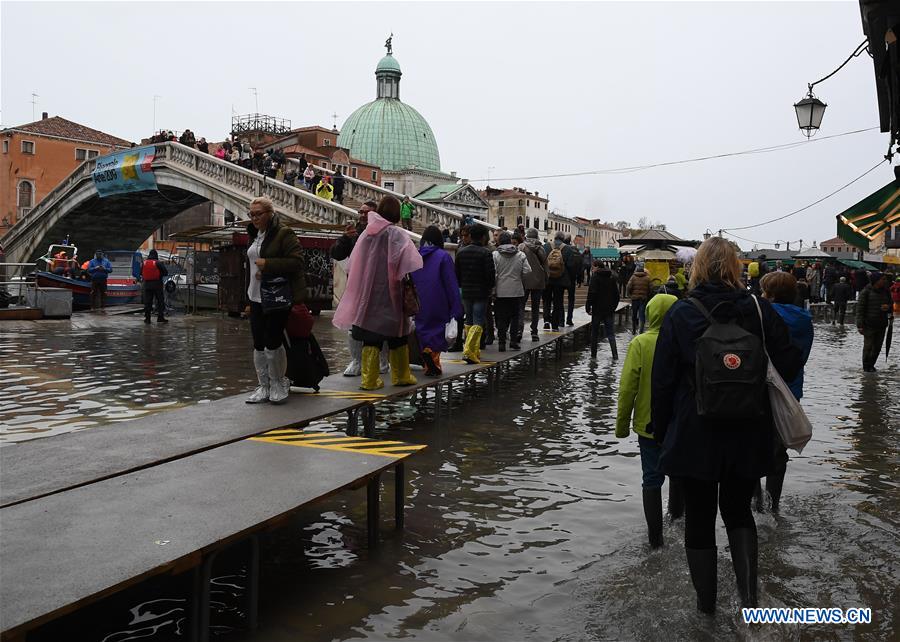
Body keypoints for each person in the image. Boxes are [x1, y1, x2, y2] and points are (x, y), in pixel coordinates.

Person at [651, 237, 802, 613]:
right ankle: (750, 603)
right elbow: (791, 362)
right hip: (748, 430)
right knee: (739, 511)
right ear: (736, 267)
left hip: (695, 432)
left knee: (699, 519)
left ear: (697, 268)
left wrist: (662, 431)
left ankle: (706, 610)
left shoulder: (682, 312)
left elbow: (663, 380)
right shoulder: (759, 309)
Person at [333, 195, 423, 390]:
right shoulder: (397, 234)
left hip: (367, 291)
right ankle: (400, 375)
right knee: (398, 335)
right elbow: (411, 262)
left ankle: (369, 379)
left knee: (370, 335)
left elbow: (354, 263)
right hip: (391, 291)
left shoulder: (366, 234)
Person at [616, 292, 679, 549]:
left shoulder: (640, 343)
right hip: (679, 424)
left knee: (651, 479)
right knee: (679, 473)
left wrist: (621, 425)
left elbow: (627, 387)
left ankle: (655, 539)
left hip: (648, 423)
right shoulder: (685, 341)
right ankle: (677, 519)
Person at [757, 271, 813, 513]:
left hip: (760, 389)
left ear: (769, 294)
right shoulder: (805, 319)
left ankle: (756, 503)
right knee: (778, 453)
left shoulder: (763, 316)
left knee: (752, 447)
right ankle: (773, 505)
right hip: (790, 391)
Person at [245, 197, 305, 405]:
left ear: (270, 213)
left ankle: (278, 382)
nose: (254, 218)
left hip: (276, 296)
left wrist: (268, 265)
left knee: (273, 341)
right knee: (258, 343)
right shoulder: (253, 234)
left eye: (258, 214)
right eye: (251, 214)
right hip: (255, 297)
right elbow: (250, 267)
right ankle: (264, 386)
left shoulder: (284, 233)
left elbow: (297, 262)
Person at [332, 202, 389, 377]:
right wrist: (344, 238)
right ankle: (356, 361)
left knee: (379, 324)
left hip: (378, 287)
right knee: (354, 323)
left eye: (366, 212)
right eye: (360, 212)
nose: (362, 215)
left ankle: (382, 360)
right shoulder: (355, 232)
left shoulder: (385, 232)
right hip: (356, 286)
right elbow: (336, 254)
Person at [410, 226, 463, 375]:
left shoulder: (415, 255)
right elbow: (450, 282)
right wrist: (456, 306)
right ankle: (432, 360)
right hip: (439, 299)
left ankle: (427, 355)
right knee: (438, 331)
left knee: (423, 329)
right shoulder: (443, 256)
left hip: (419, 299)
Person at [455, 224, 496, 364]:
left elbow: (457, 275)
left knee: (469, 320)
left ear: (471, 236)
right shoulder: (486, 253)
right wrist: (490, 287)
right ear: (484, 237)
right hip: (481, 291)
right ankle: (469, 350)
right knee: (478, 321)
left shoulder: (461, 252)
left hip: (466, 291)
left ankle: (474, 350)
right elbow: (490, 275)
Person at [492, 231, 531, 351]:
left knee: (501, 317)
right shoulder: (520, 255)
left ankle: (502, 342)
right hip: (516, 291)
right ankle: (513, 341)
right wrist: (518, 277)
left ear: (499, 242)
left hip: (500, 290)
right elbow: (527, 271)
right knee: (515, 316)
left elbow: (493, 273)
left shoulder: (495, 255)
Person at [856, 271, 892, 372]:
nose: (885, 281)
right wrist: (860, 325)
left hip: (882, 324)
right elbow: (860, 309)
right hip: (868, 325)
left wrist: (888, 307)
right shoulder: (866, 292)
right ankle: (866, 367)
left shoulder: (886, 291)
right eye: (883, 279)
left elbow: (890, 305)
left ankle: (871, 365)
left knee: (877, 348)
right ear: (876, 281)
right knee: (868, 347)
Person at [585, 261, 619, 359]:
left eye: (593, 267)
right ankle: (615, 355)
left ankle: (593, 355)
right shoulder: (611, 278)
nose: (592, 269)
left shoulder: (595, 278)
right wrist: (613, 308)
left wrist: (588, 307)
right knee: (611, 334)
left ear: (597, 267)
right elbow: (616, 296)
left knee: (594, 333)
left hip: (597, 310)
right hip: (609, 310)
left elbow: (592, 293)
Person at [518, 228, 547, 342]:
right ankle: (534, 332)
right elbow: (545, 263)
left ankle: (519, 329)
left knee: (521, 306)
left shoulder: (521, 247)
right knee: (535, 307)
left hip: (524, 280)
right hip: (538, 281)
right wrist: (546, 278)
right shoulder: (540, 248)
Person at [141, 249, 169, 324]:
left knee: (148, 302)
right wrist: (159, 275)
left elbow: (141, 273)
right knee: (160, 301)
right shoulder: (157, 263)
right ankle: (160, 317)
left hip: (146, 284)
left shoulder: (144, 263)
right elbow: (166, 272)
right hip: (157, 284)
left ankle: (147, 319)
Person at [625, 264, 651, 334]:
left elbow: (628, 287)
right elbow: (651, 288)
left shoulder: (633, 277)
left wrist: (630, 295)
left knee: (634, 314)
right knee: (642, 314)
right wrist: (647, 295)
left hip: (634, 298)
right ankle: (641, 330)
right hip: (643, 298)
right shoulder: (647, 278)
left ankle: (633, 330)